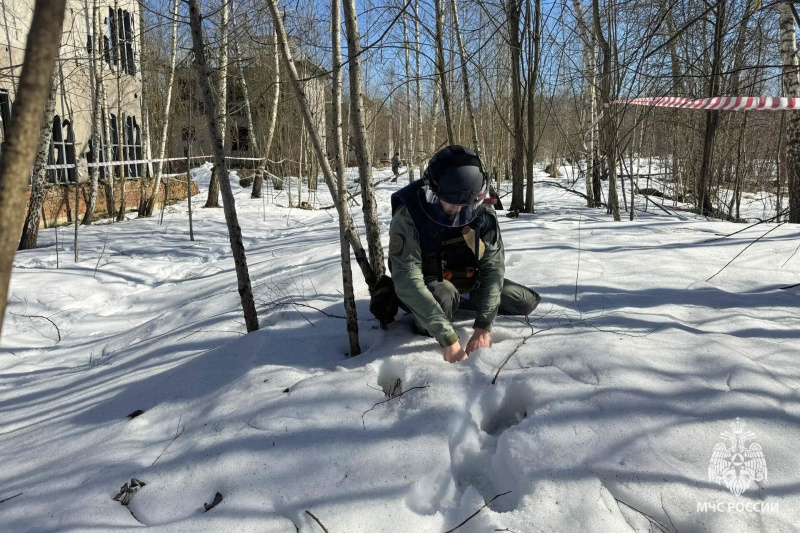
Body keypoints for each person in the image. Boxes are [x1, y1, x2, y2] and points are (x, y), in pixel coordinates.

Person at [385, 145, 540, 363]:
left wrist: (483, 327)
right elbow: (407, 280)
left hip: (468, 282)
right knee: (444, 294)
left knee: (524, 301)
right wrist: (449, 338)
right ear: (434, 191)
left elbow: (493, 268)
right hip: (431, 286)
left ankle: (459, 305)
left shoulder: (481, 213)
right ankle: (433, 318)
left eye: (465, 204)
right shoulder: (409, 215)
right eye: (452, 204)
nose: (459, 211)